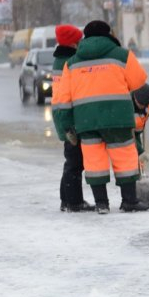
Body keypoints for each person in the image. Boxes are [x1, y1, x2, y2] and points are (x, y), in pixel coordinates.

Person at [51, 20, 149, 214]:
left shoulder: (71, 63)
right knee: (124, 157)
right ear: (108, 35)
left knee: (94, 161)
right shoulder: (122, 55)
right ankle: (129, 201)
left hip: (86, 121)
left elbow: (63, 99)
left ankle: (101, 204)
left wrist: (67, 126)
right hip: (118, 118)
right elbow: (139, 82)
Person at [49, 24, 95, 212]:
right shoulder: (68, 62)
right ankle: (74, 202)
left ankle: (66, 200)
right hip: (68, 116)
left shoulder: (60, 60)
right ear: (72, 43)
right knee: (75, 162)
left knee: (72, 160)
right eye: (78, 41)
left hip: (63, 114)